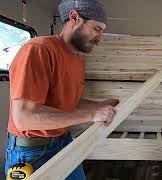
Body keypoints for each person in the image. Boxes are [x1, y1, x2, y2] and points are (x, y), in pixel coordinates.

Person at [4, 0, 118, 179]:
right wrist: (91, 115)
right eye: (97, 29)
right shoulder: (38, 50)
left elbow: (68, 101)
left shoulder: (77, 59)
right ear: (74, 18)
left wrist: (99, 106)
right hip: (33, 152)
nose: (99, 39)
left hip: (63, 141)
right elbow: (24, 118)